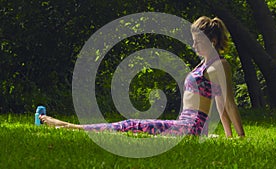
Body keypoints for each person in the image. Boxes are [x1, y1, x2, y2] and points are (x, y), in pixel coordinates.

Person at [39, 16, 245, 138]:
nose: (194, 46)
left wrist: (239, 138)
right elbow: (219, 102)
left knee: (132, 124)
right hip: (185, 125)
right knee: (132, 125)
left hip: (190, 128)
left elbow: (227, 103)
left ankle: (67, 127)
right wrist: (227, 136)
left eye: (198, 41)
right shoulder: (204, 65)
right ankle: (67, 126)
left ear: (213, 40)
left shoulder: (219, 65)